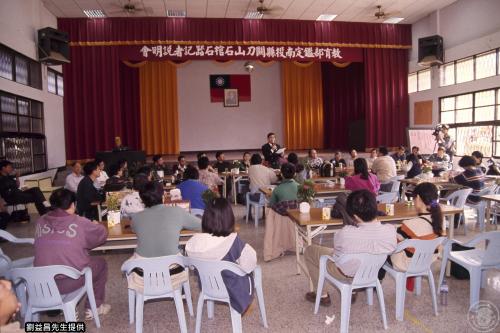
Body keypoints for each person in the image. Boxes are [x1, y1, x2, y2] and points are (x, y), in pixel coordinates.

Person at [304, 190, 397, 306]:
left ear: (356, 216)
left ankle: (322, 295)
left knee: (310, 251)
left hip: (345, 273)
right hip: (372, 273)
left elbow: (337, 254)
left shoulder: (346, 233)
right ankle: (352, 291)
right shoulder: (390, 231)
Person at [34, 189, 110, 320]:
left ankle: (64, 307)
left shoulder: (40, 221)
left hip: (41, 284)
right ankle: (93, 308)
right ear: (73, 205)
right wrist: (98, 225)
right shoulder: (80, 221)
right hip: (69, 281)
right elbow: (101, 235)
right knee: (101, 264)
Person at [126, 182, 201, 292]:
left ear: (142, 200)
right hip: (172, 274)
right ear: (163, 196)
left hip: (143, 276)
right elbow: (200, 225)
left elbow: (135, 228)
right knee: (180, 251)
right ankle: (181, 293)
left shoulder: (135, 218)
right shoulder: (177, 211)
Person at [186, 198, 257, 314]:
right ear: (229, 219)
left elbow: (192, 267)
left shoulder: (194, 242)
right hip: (233, 289)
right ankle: (246, 302)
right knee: (252, 270)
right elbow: (249, 263)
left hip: (206, 286)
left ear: (205, 219)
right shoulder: (233, 241)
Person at [390, 182, 443, 272]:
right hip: (428, 261)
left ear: (418, 198)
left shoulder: (409, 224)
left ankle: (375, 282)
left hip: (407, 263)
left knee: (381, 254)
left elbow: (394, 243)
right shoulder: (441, 220)